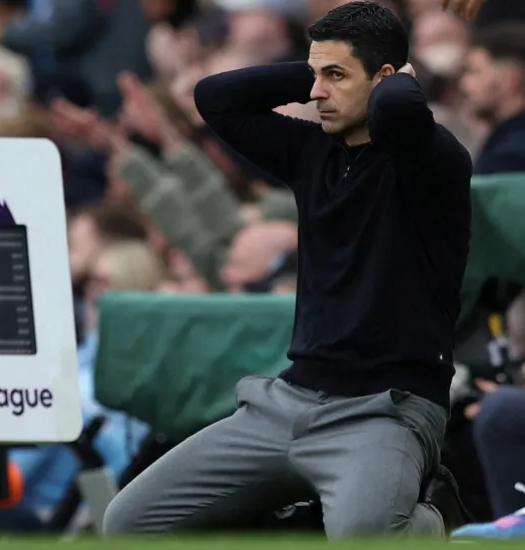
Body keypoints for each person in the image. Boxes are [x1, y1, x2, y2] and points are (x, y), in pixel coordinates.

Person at [103, 1, 479, 539]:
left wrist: (393, 81)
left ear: (389, 78)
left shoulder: (433, 158)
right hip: (286, 402)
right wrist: (316, 71)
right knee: (130, 521)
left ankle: (438, 525)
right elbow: (216, 98)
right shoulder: (311, 152)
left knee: (366, 533)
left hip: (385, 408)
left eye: (336, 76)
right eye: (315, 74)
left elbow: (397, 114)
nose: (318, 91)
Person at [459, 23, 525, 174]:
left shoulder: (511, 156)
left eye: (474, 72)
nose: (464, 85)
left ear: (509, 79)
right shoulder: (504, 140)